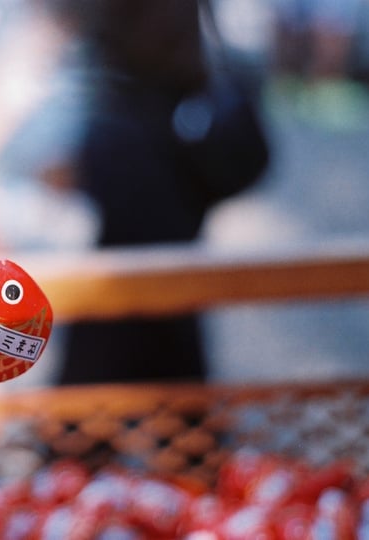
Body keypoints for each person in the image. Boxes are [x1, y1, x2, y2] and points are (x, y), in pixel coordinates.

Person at [57, 0, 270, 383]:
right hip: (170, 135)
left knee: (127, 316)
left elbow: (63, 21)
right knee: (169, 318)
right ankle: (185, 429)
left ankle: (93, 433)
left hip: (141, 134)